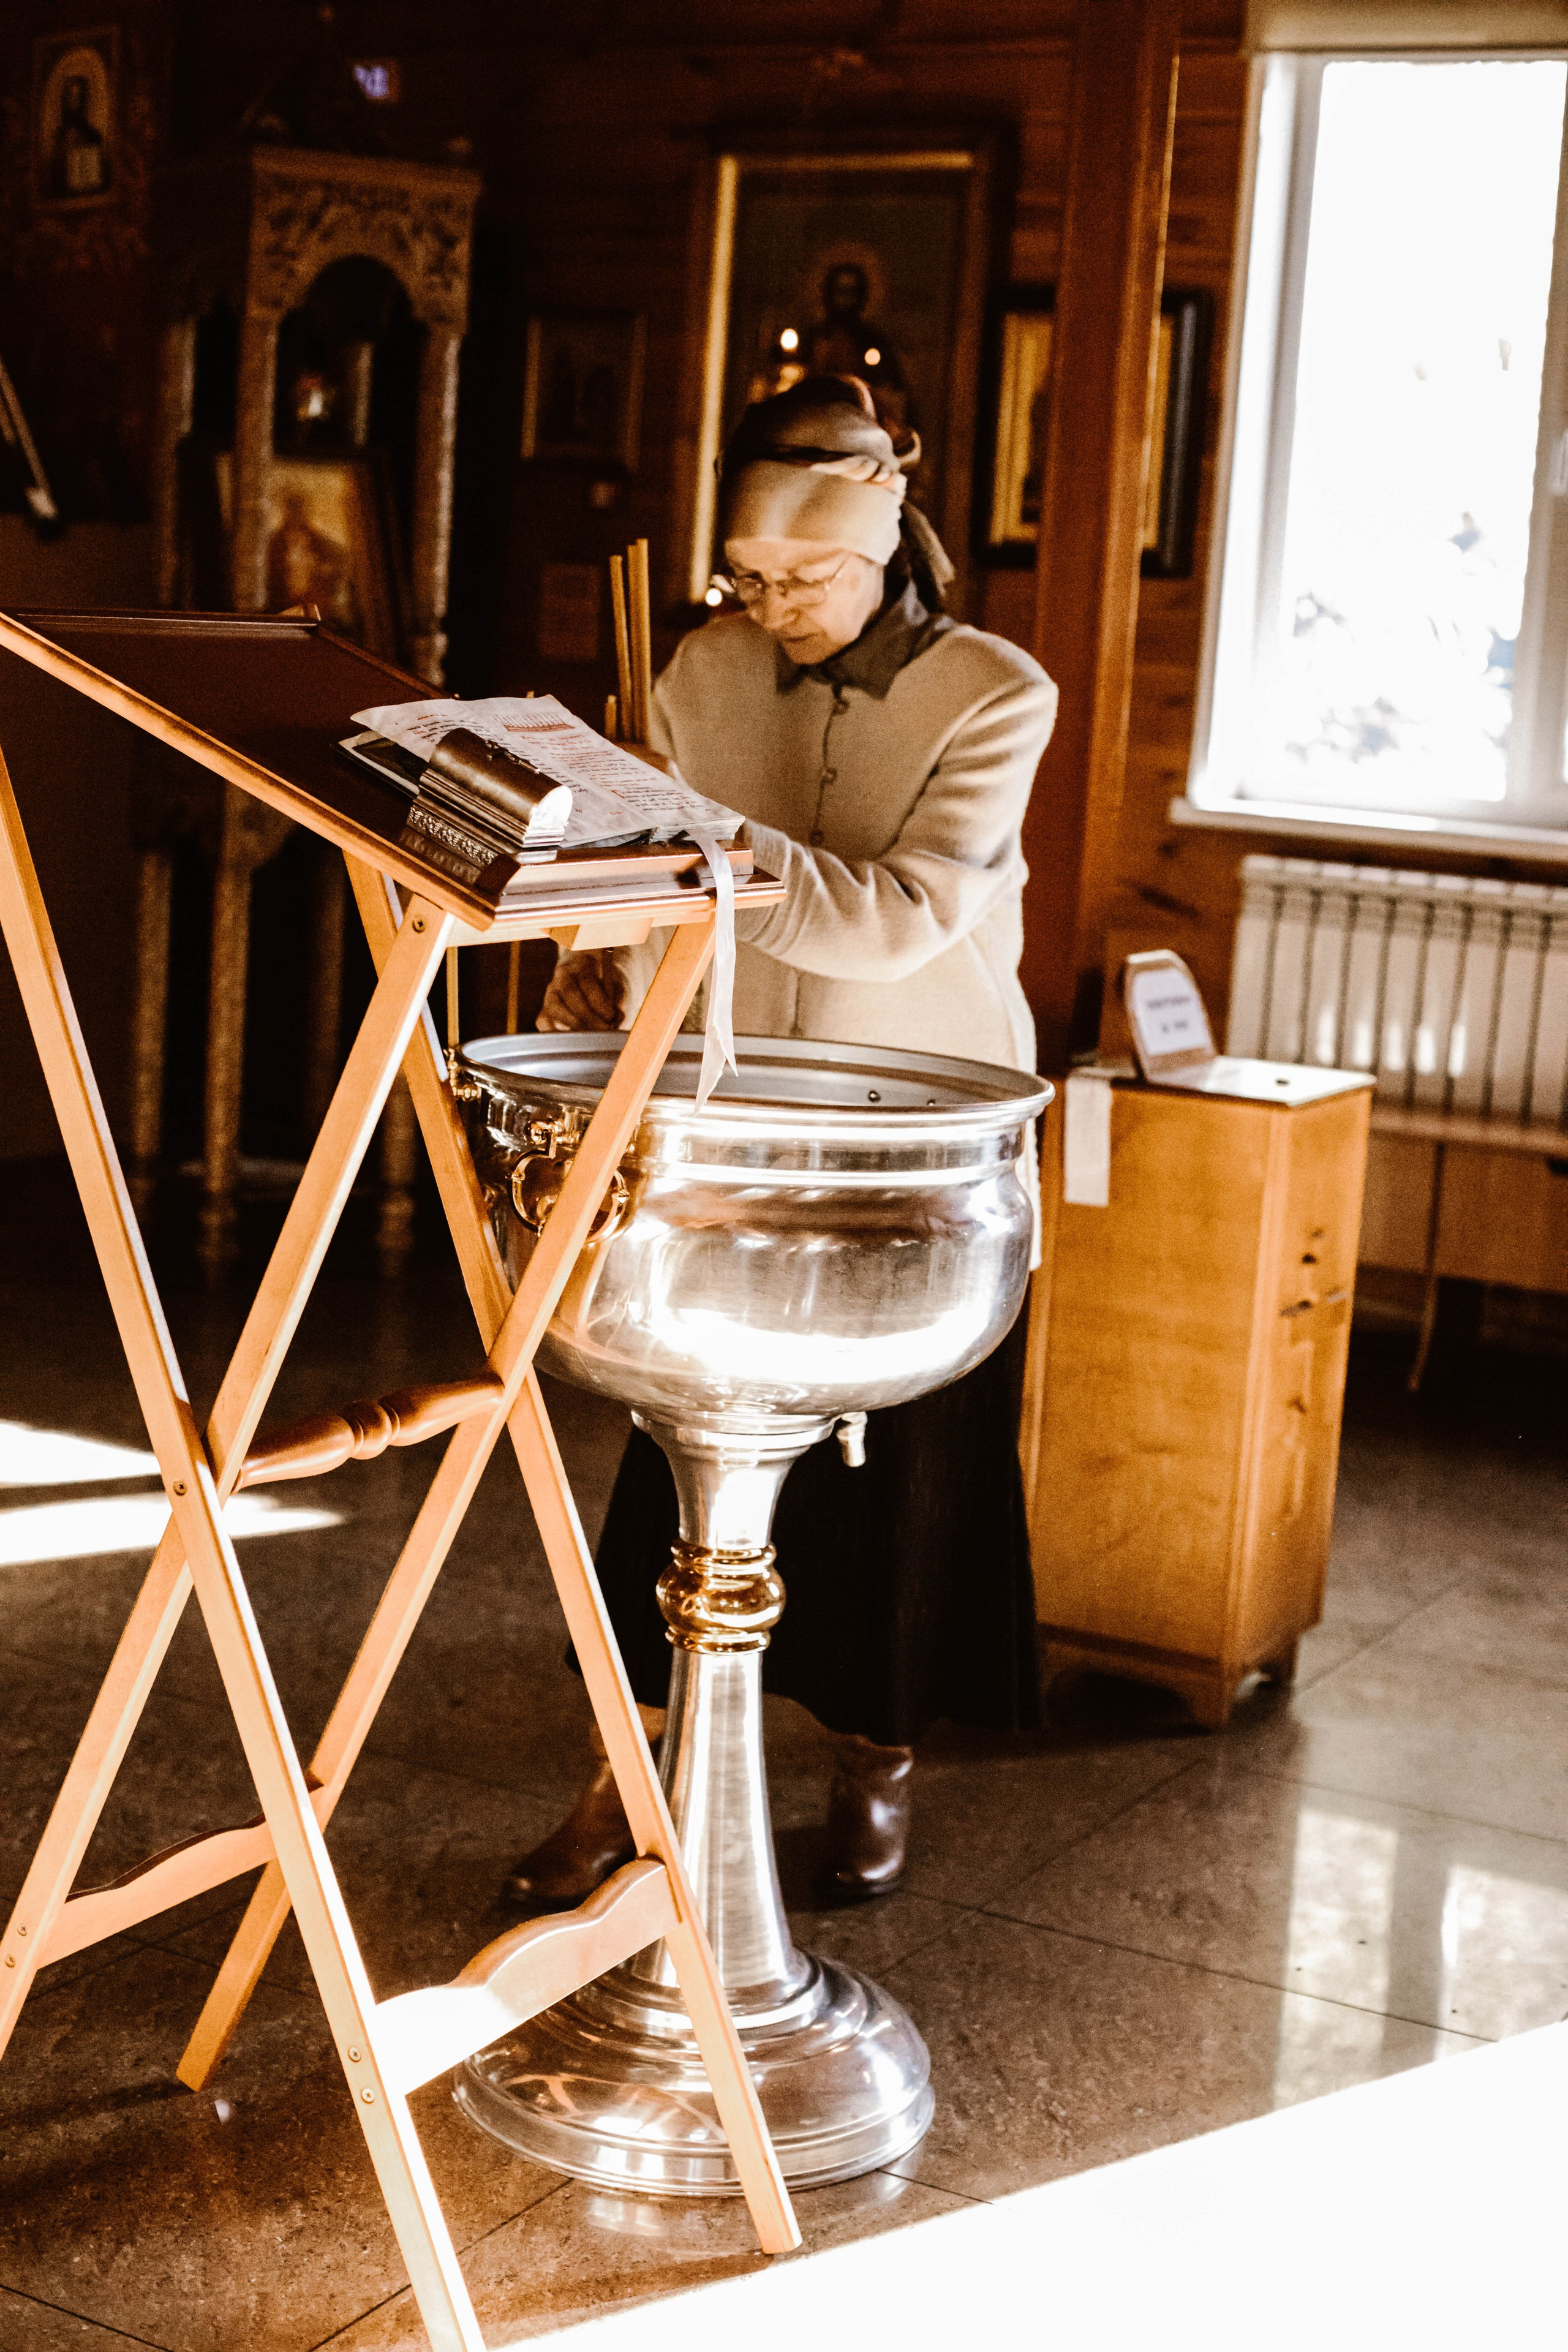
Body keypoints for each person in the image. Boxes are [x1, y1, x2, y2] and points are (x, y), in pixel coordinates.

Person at [507, 374, 1057, 1908]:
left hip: (916, 1126)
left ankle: (874, 1759)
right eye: (745, 577)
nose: (771, 606)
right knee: (678, 1460)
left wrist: (692, 839)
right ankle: (623, 1774)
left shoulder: (996, 692)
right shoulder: (703, 666)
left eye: (801, 576)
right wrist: (601, 939)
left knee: (902, 1493)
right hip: (727, 1107)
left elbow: (896, 919)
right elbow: (649, 883)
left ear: (884, 516)